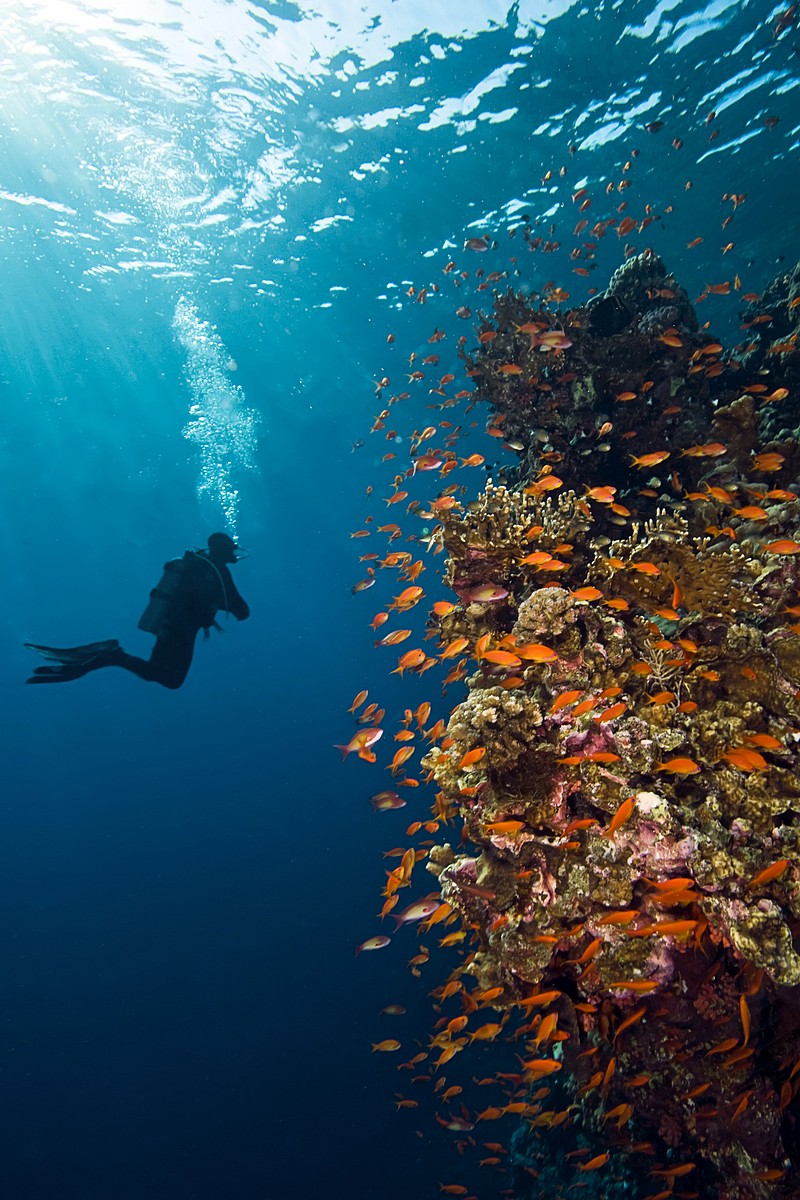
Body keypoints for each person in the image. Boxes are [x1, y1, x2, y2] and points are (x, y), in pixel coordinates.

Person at [26, 533, 250, 690]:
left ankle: (109, 656)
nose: (234, 551)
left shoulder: (199, 568)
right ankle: (111, 655)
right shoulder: (217, 573)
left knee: (165, 676)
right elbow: (241, 610)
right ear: (223, 549)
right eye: (231, 547)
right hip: (180, 632)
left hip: (171, 627)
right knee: (170, 680)